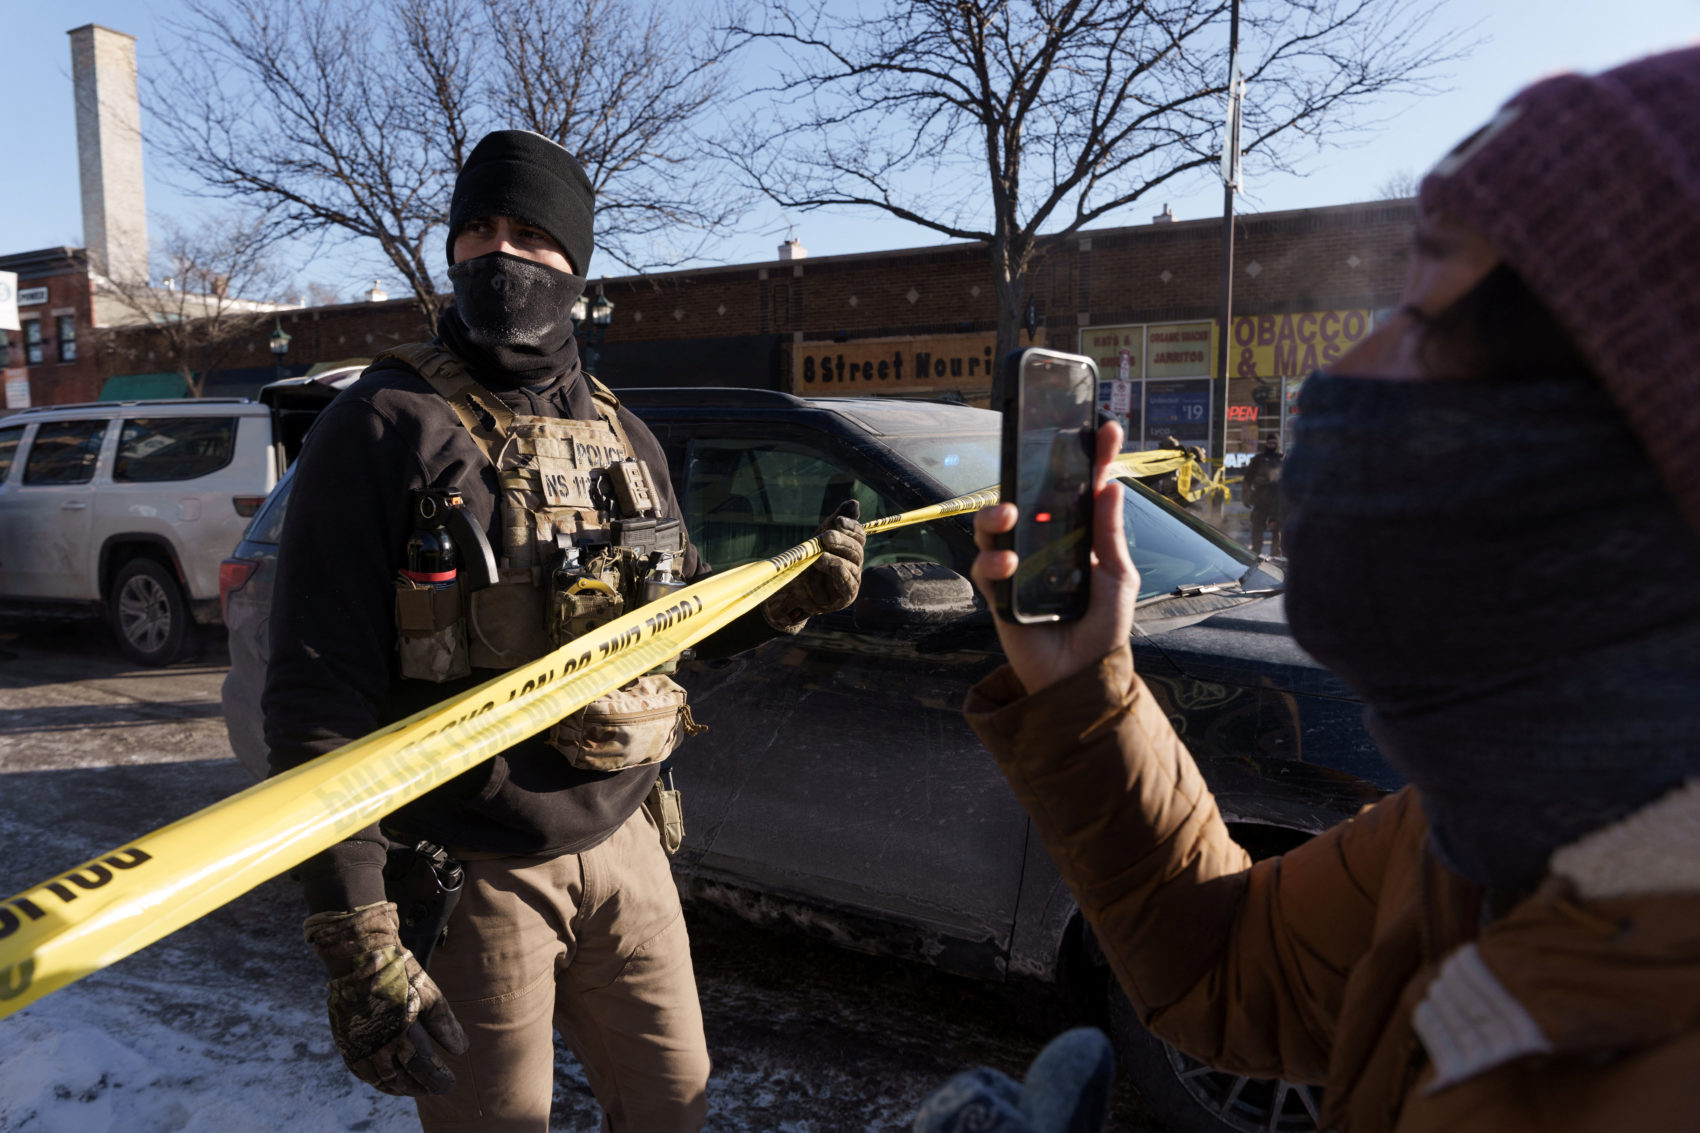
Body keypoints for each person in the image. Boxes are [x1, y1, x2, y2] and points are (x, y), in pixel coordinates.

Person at [964, 48, 1700, 1132]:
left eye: (1430, 298)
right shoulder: (1484, 826)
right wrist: (1084, 690)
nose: (1346, 369)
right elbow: (1229, 963)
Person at [262, 130, 866, 1133]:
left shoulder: (624, 435)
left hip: (628, 846)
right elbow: (313, 700)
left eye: (533, 234)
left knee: (674, 1103)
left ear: (576, 265)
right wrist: (358, 934)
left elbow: (674, 618)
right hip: (472, 872)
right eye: (479, 231)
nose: (501, 255)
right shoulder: (380, 425)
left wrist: (786, 597)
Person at [1240, 432, 1283, 556]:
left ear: (1277, 444)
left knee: (1277, 530)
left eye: (1274, 443)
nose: (1271, 445)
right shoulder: (1259, 459)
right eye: (1269, 443)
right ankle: (1255, 554)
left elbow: (1289, 480)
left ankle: (1276, 556)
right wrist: (1246, 496)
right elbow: (1248, 479)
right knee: (1257, 528)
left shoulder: (1282, 458)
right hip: (1260, 498)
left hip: (1277, 499)